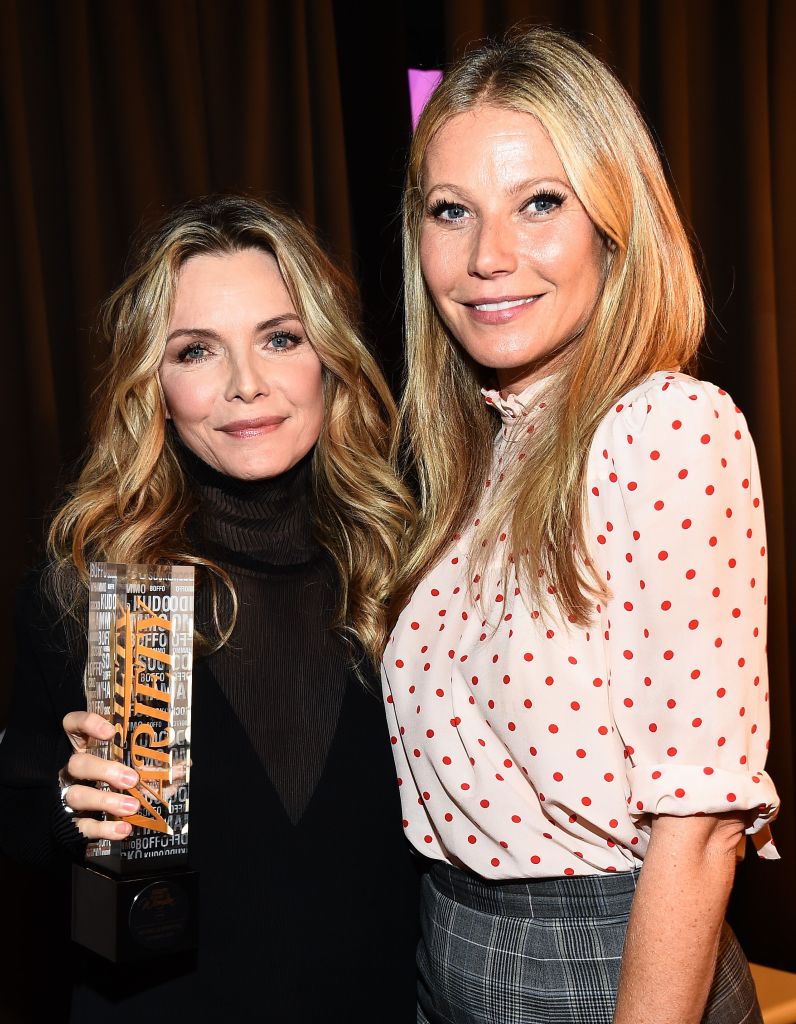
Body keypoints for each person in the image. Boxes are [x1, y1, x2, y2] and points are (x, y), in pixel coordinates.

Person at [383, 26, 779, 1024]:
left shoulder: (666, 427)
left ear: (613, 223)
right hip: (448, 948)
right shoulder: (486, 451)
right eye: (451, 211)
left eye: (540, 203)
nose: (488, 257)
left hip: (604, 971)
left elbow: (699, 827)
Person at [0, 194, 420, 1022]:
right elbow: (15, 815)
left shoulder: (408, 571)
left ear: (329, 358)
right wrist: (71, 809)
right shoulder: (87, 589)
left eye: (280, 338)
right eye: (196, 351)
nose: (246, 385)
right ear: (153, 384)